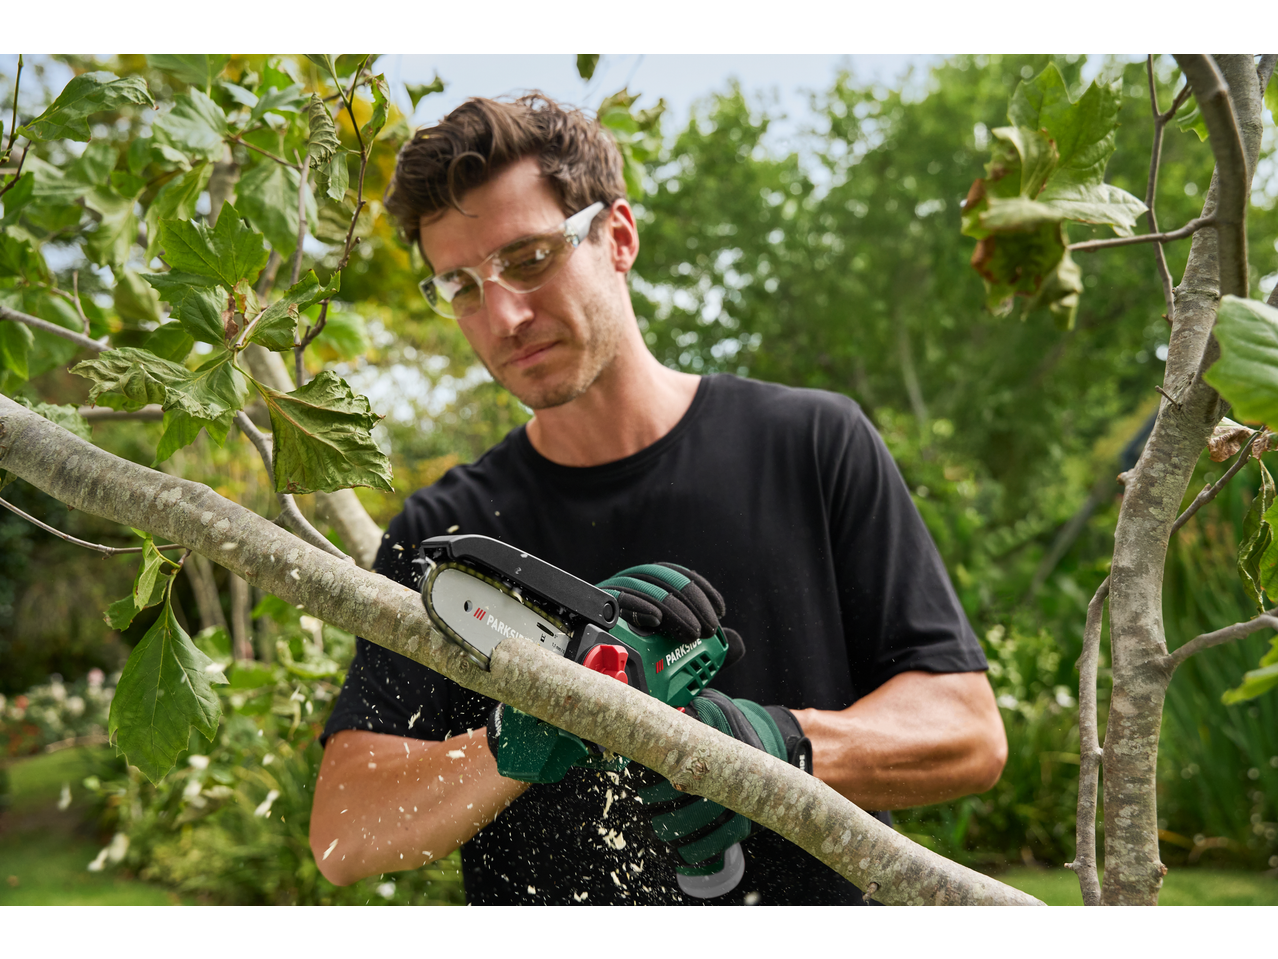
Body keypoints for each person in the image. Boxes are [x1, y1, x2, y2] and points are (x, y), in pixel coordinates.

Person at [309, 94, 1007, 905]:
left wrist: (772, 744)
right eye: (461, 285)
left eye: (530, 258)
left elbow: (965, 730)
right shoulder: (445, 535)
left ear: (619, 236)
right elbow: (341, 829)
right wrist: (514, 740)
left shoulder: (808, 442)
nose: (503, 314)